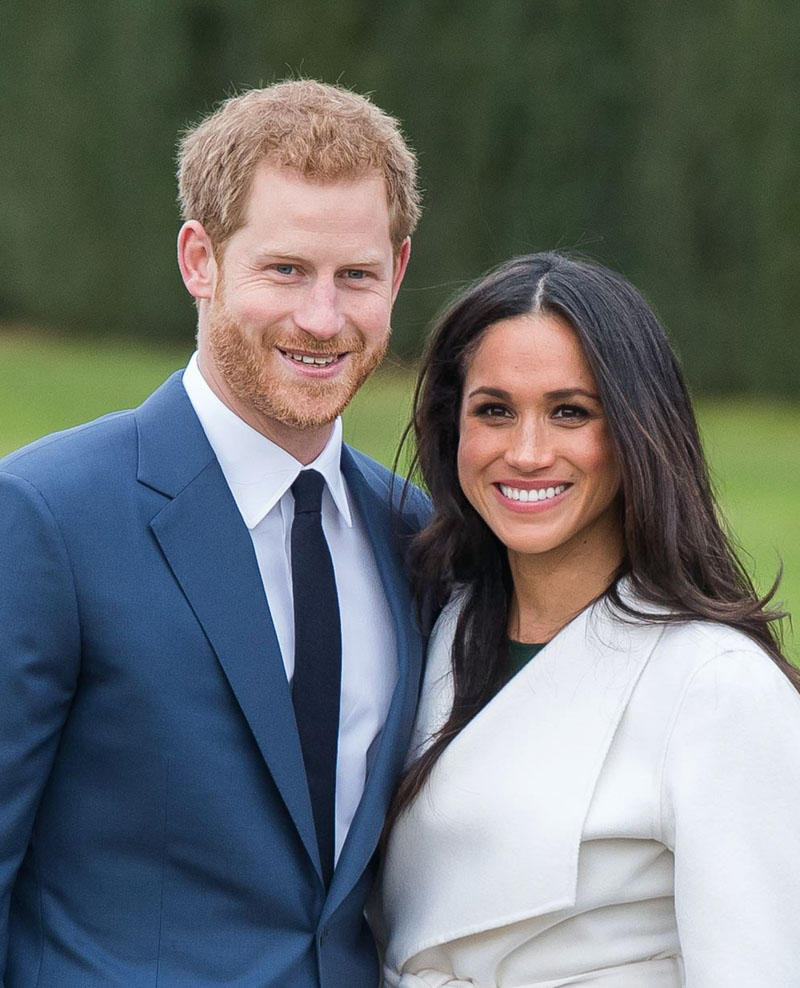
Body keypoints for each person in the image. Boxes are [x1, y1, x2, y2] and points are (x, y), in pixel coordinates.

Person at [0, 80, 430, 987]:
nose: (322, 319)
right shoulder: (44, 515)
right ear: (200, 259)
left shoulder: (418, 536)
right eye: (284, 270)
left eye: (354, 275)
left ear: (396, 271)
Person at [375, 252, 800, 987]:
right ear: (455, 428)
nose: (528, 452)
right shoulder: (431, 629)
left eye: (571, 412)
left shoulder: (719, 688)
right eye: (494, 410)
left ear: (637, 431)